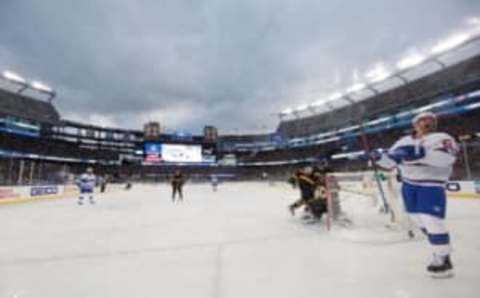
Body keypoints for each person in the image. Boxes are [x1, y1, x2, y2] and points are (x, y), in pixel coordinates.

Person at [374, 112, 458, 277]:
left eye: (431, 120)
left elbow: (448, 158)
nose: (427, 122)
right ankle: (440, 247)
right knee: (418, 220)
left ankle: (443, 258)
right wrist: (378, 158)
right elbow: (391, 163)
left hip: (431, 184)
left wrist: (423, 154)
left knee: (431, 220)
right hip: (409, 185)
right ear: (415, 124)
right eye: (423, 120)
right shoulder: (403, 141)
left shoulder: (442, 137)